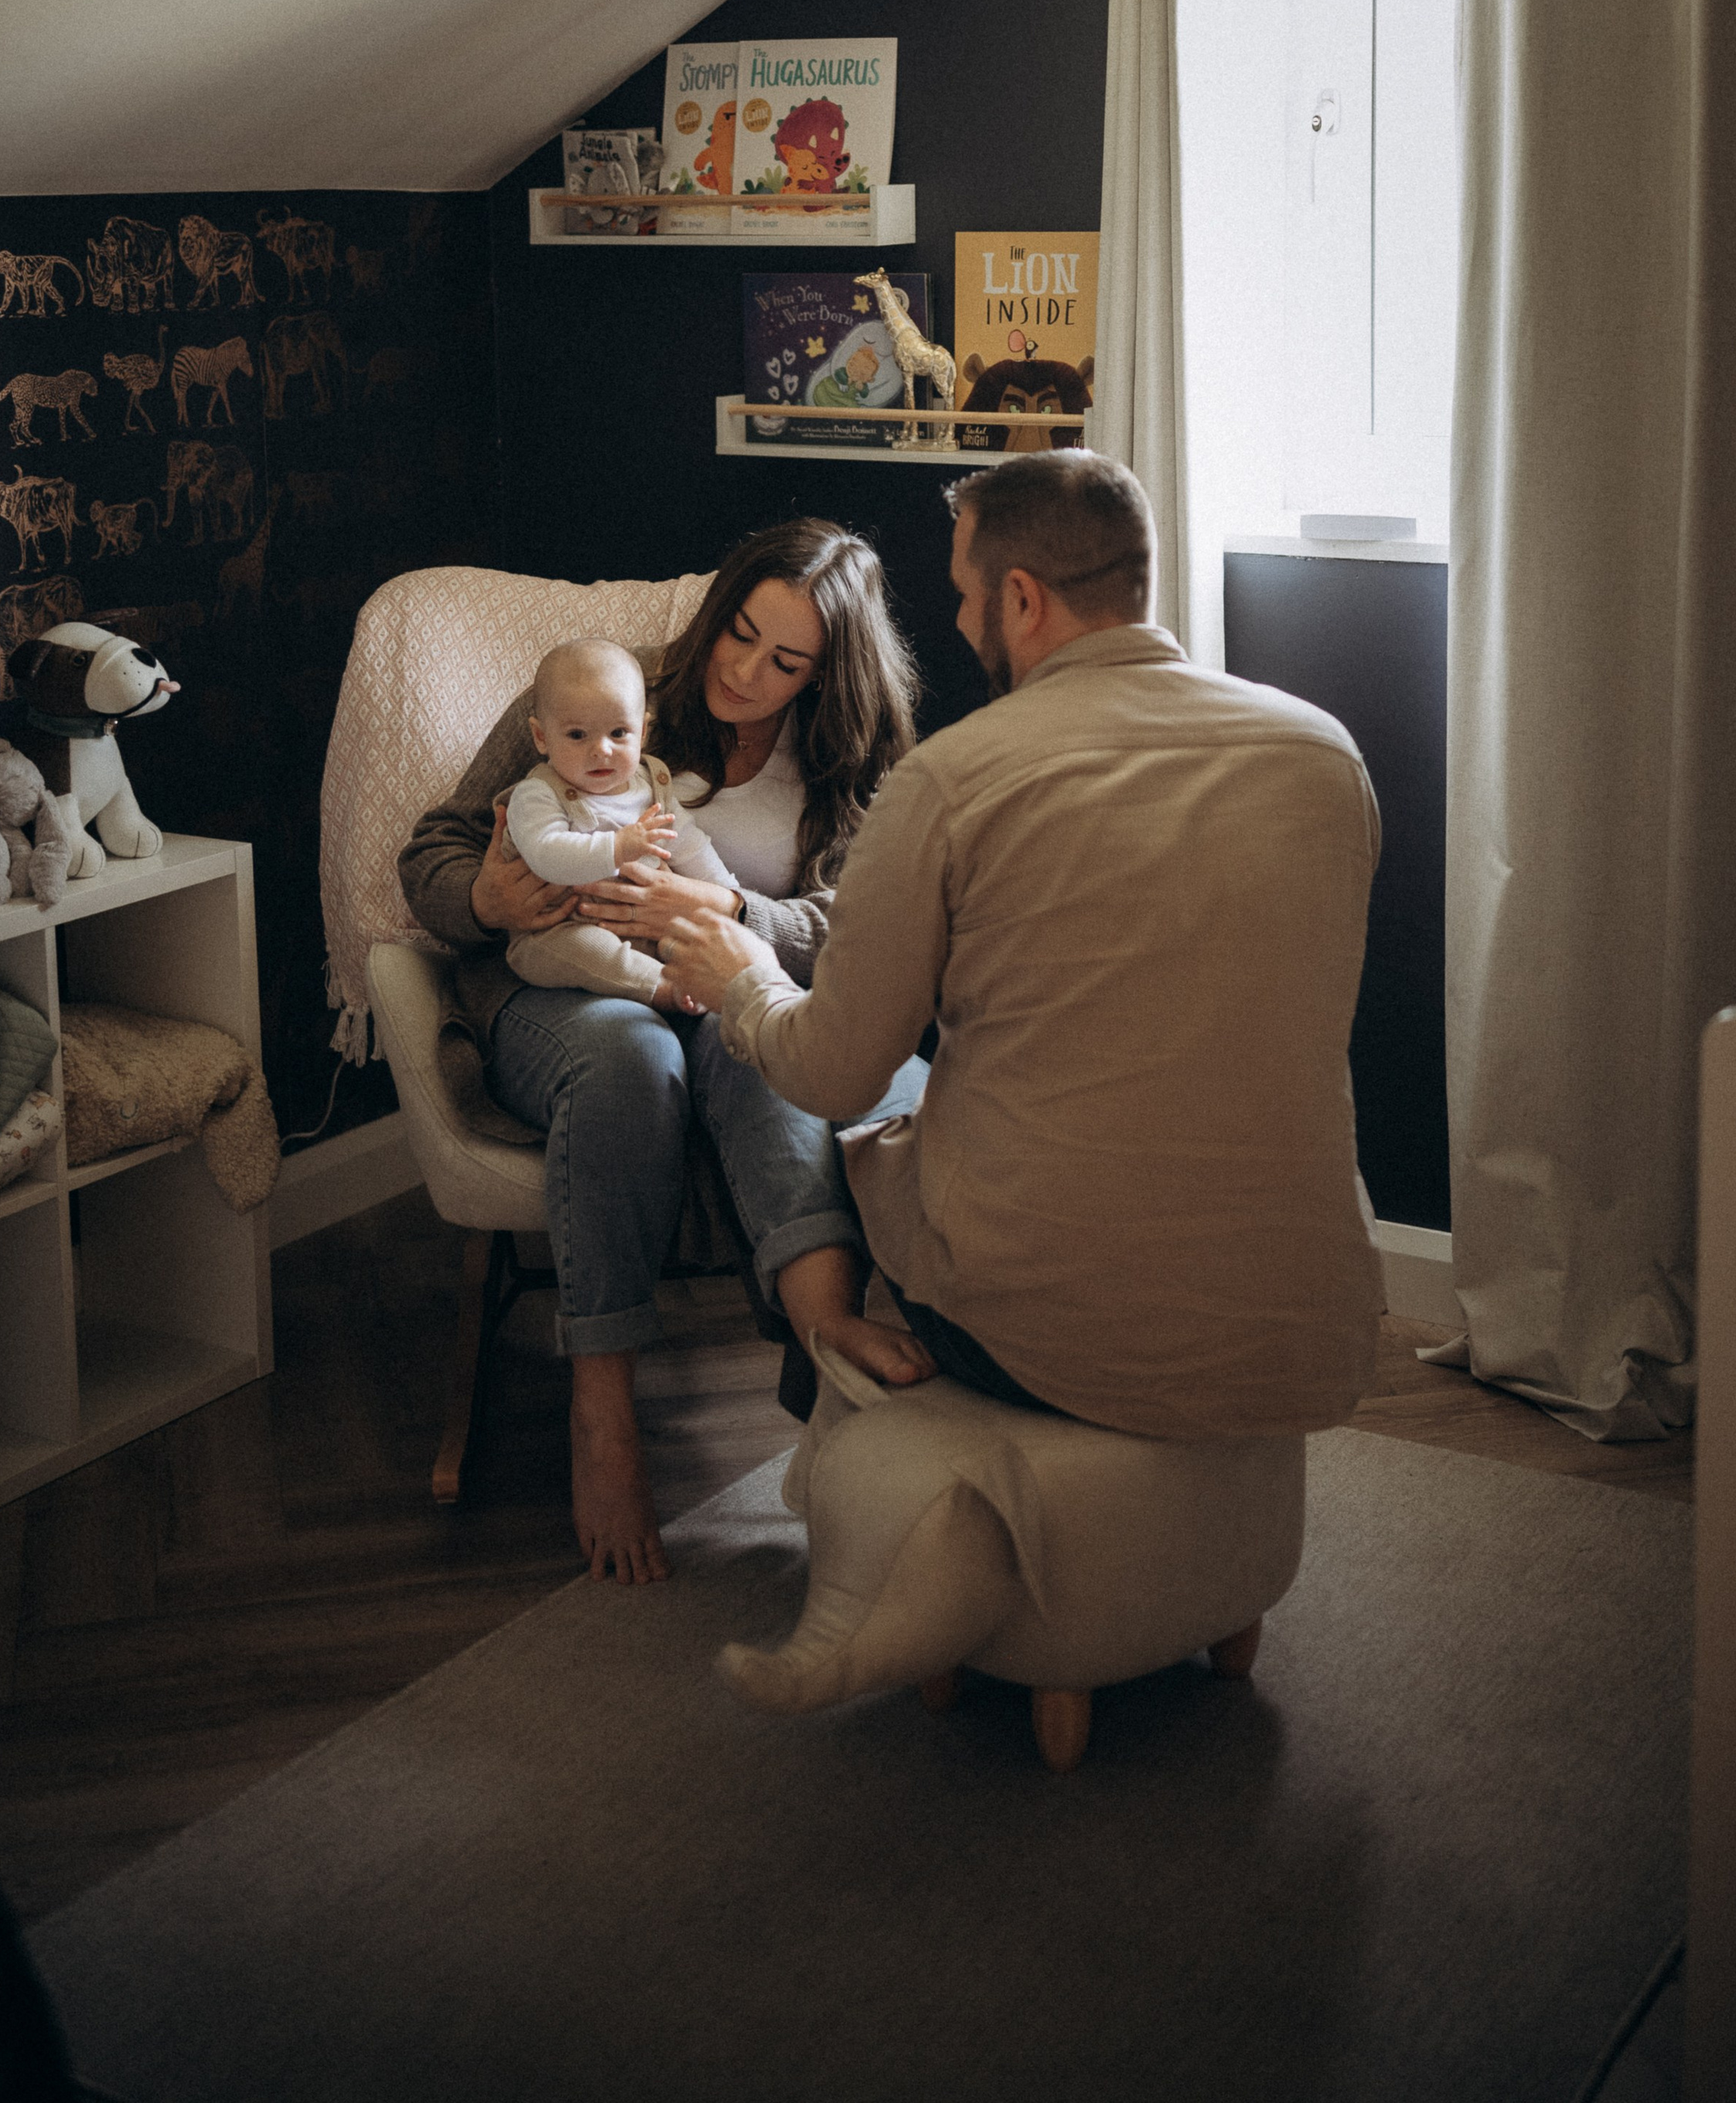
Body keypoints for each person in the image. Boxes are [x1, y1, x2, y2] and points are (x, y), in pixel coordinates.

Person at [662, 453, 1384, 1437]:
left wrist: (741, 975)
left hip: (1046, 1340)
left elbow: (831, 1072)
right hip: (1313, 1333)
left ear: (1020, 597)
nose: (960, 624)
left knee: (871, 1160)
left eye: (963, 595)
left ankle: (861, 1471)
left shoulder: (955, 780)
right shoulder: (1324, 756)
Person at [397, 520, 932, 1587]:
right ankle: (604, 1416)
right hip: (565, 984)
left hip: (729, 975)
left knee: (763, 1046)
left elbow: (869, 926)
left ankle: (824, 1337)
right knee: (629, 1061)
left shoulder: (858, 757)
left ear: (831, 676)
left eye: (785, 663)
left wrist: (732, 907)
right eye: (739, 634)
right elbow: (435, 847)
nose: (744, 671)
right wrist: (486, 893)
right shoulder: (606, 696)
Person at [501, 637, 734, 1009]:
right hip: (559, 931)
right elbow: (547, 855)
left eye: (618, 733)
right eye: (577, 735)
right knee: (591, 950)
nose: (602, 750)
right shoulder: (537, 794)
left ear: (642, 732)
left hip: (649, 927)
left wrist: (727, 893)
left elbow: (689, 842)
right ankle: (661, 989)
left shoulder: (652, 784)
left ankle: (699, 983)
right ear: (541, 737)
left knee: (696, 939)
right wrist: (618, 848)